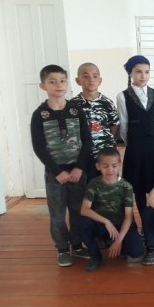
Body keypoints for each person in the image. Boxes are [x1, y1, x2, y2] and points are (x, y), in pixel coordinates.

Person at [31, 64, 92, 267]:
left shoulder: (76, 110)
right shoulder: (39, 114)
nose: (58, 85)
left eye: (62, 80)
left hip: (77, 172)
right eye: (52, 81)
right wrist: (57, 171)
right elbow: (39, 147)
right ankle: (63, 249)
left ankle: (77, 244)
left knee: (77, 210)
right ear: (43, 86)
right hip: (55, 174)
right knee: (57, 213)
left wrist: (79, 167)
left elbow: (87, 141)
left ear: (67, 83)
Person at [79, 148, 145, 272]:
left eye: (114, 166)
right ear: (98, 166)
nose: (110, 170)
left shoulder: (126, 186)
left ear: (119, 165)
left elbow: (128, 217)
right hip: (103, 225)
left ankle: (116, 244)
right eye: (105, 166)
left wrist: (119, 240)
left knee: (137, 251)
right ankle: (95, 256)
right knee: (82, 222)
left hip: (121, 225)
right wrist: (106, 222)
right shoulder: (93, 184)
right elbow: (84, 209)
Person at [116, 55, 154, 216]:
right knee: (138, 184)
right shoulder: (122, 96)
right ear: (130, 73)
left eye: (146, 72)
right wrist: (132, 142)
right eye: (138, 72)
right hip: (135, 146)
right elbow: (124, 124)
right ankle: (144, 218)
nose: (143, 76)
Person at [70, 62, 119, 181]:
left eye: (95, 76)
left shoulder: (107, 103)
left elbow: (114, 126)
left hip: (105, 155)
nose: (91, 79)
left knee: (106, 186)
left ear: (100, 80)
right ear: (78, 81)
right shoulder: (73, 105)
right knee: (87, 186)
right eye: (85, 76)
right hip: (83, 155)